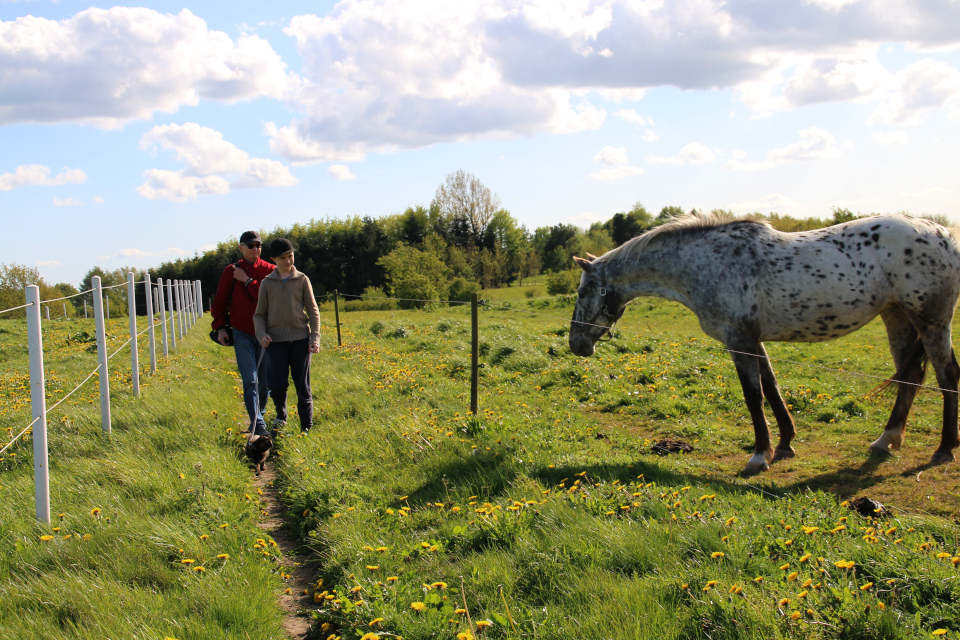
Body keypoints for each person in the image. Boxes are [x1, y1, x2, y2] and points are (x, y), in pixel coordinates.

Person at [211, 231, 277, 437]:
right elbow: (220, 300)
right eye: (251, 245)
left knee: (265, 382)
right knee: (250, 379)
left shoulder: (270, 270)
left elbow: (269, 298)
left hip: (265, 333)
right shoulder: (230, 271)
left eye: (258, 245)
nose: (255, 249)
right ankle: (257, 424)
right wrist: (221, 328)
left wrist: (247, 280)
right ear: (241, 248)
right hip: (241, 333)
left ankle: (261, 415)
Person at [254, 238, 320, 435]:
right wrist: (262, 335)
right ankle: (281, 416)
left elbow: (313, 310)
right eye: (283, 258)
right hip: (275, 342)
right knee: (277, 384)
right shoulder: (267, 283)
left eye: (290, 256)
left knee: (302, 385)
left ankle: (306, 427)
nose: (288, 261)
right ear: (273, 259)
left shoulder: (302, 280)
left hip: (301, 340)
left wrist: (314, 338)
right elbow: (259, 315)